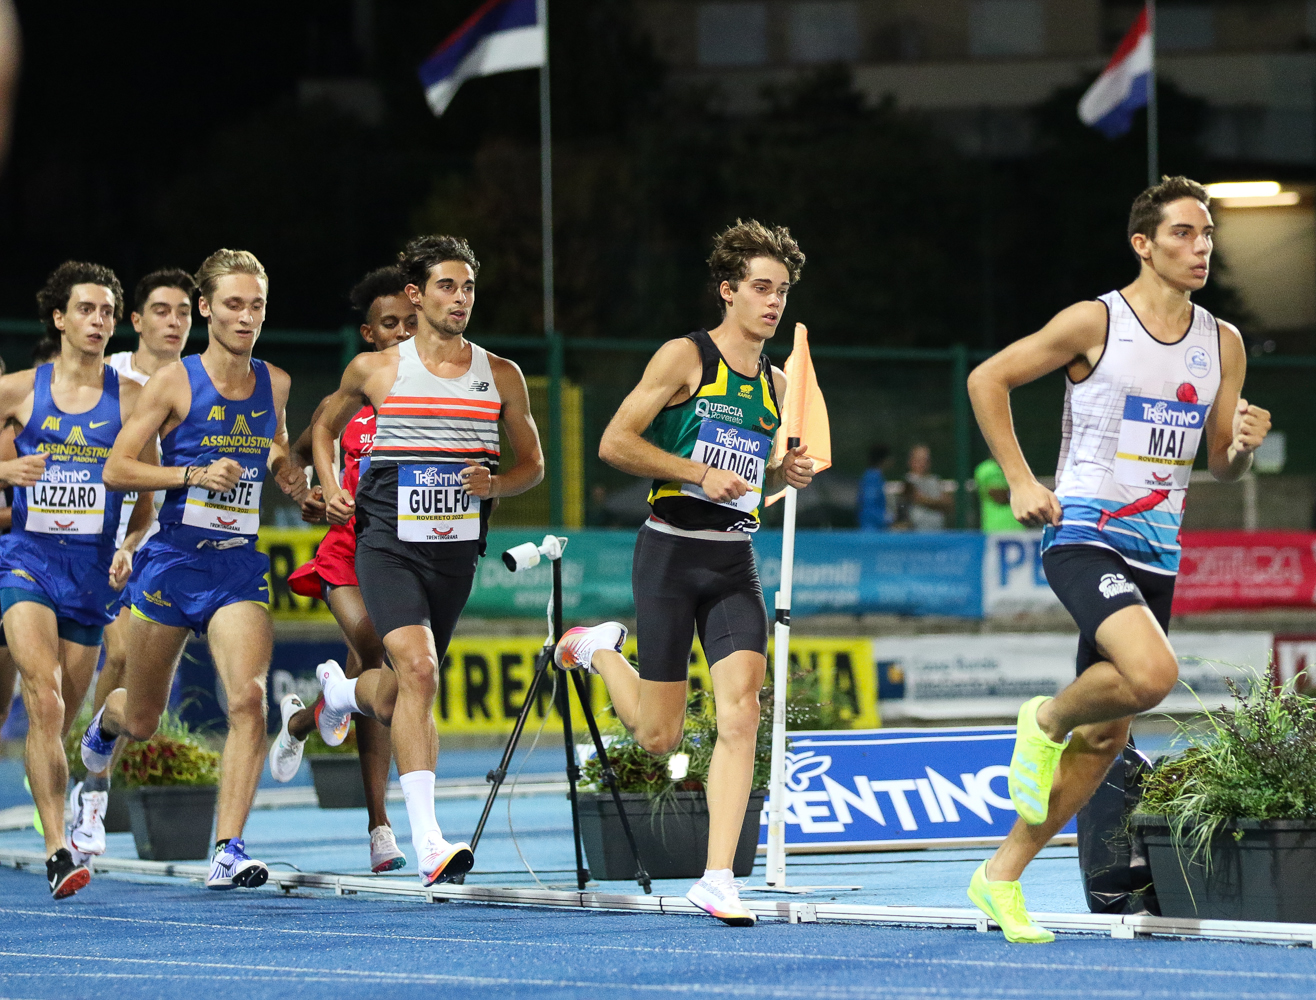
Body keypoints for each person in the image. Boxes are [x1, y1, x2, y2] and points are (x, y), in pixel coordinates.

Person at [965, 176, 1271, 942]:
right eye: (1183, 233)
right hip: (1085, 532)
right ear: (1143, 244)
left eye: (1207, 234)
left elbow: (1220, 465)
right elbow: (987, 378)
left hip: (1158, 552)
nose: (1200, 247)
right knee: (1154, 673)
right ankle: (1044, 718)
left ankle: (999, 877)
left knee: (1106, 741)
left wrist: (1241, 447)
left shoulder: (1223, 342)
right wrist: (1021, 479)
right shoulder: (1095, 321)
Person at [554, 219, 817, 927]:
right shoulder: (686, 357)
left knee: (743, 713)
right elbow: (615, 442)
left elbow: (754, 472)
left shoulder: (777, 382)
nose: (773, 302)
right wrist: (697, 472)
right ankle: (598, 650)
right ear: (728, 291)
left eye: (782, 291)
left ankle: (718, 877)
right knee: (658, 737)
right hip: (670, 555)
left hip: (734, 561)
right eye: (760, 288)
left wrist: (783, 473)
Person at [306, 235, 544, 888]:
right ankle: (429, 842)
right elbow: (323, 427)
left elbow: (533, 465)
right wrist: (328, 486)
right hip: (387, 544)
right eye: (446, 286)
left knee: (408, 688)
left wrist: (495, 485)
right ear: (415, 294)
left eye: (468, 287)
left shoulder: (501, 375)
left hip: (456, 551)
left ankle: (341, 693)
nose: (460, 298)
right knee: (418, 667)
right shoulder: (377, 369)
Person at [78, 249, 306, 891]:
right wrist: (193, 475)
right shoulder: (173, 382)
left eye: (256, 305)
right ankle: (105, 724)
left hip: (236, 567)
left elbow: (274, 442)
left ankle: (228, 849)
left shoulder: (276, 382)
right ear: (206, 308)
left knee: (248, 699)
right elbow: (116, 469)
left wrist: (289, 475)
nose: (246, 317)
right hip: (173, 561)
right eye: (233, 304)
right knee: (142, 720)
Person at [0, 261, 157, 898]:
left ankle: (53, 796)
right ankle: (56, 850)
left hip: (91, 574)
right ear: (59, 317)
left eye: (107, 312)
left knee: (59, 718)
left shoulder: (134, 399)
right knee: (43, 698)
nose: (98, 321)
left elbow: (144, 500)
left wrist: (129, 546)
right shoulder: (17, 390)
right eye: (85, 309)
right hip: (27, 561)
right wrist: (4, 472)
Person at [266, 266, 418, 873]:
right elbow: (301, 452)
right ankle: (382, 826)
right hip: (347, 553)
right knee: (378, 650)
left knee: (374, 679)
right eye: (390, 324)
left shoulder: (443, 393)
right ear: (369, 334)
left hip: (411, 555)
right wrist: (306, 490)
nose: (402, 332)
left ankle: (309, 716)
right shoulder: (347, 401)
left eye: (411, 322)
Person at [96, 269, 196, 708]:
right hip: (98, 538)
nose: (174, 321)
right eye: (161, 311)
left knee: (137, 668)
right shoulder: (107, 375)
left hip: (163, 544)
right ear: (136, 320)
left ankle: (100, 748)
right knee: (118, 653)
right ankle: (84, 748)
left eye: (183, 312)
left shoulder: (200, 383)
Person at [901, 444, 950, 530]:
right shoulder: (908, 481)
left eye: (925, 460)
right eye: (919, 460)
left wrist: (930, 502)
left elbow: (948, 503)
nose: (922, 463)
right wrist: (938, 503)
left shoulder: (935, 479)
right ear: (911, 461)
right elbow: (918, 499)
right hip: (917, 532)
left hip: (938, 531)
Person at [975, 457, 1022, 533]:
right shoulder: (986, 469)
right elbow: (999, 496)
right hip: (994, 528)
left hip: (1019, 528)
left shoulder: (1017, 467)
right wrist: (1021, 493)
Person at [857, 444, 891, 530]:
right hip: (871, 530)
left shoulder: (877, 477)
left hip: (877, 529)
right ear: (884, 459)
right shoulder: (872, 478)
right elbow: (869, 508)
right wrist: (890, 519)